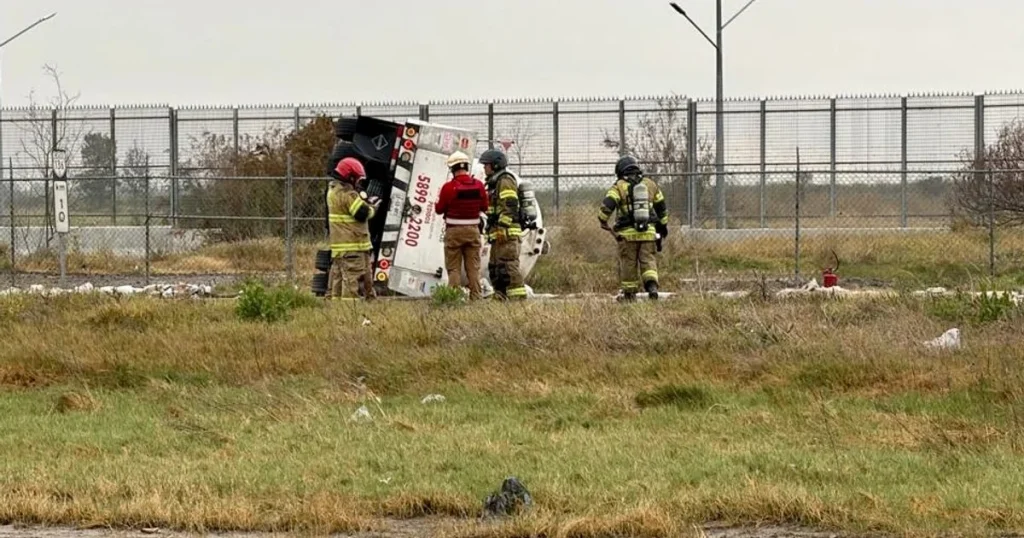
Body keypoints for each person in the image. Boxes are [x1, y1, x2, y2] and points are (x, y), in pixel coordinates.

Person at [598, 155, 669, 301]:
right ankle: (652, 287)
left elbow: (607, 206)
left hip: (627, 235)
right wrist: (662, 226)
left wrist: (602, 219)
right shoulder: (650, 184)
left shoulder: (618, 186)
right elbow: (661, 207)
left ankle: (630, 295)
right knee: (648, 260)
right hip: (649, 233)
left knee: (629, 263)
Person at [435, 151, 489, 300]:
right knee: (473, 267)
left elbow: (439, 210)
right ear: (467, 167)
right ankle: (476, 297)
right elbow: (485, 207)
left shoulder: (448, 187)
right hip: (473, 231)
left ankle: (454, 298)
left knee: (454, 268)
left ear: (452, 169)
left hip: (454, 232)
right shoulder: (478, 186)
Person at [325, 157, 379, 300]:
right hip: (353, 246)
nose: (358, 183)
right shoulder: (348, 195)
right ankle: (349, 313)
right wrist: (373, 207)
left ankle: (336, 312)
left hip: (339, 247)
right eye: (357, 179)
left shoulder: (332, 191)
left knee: (337, 280)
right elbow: (363, 213)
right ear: (350, 177)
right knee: (351, 281)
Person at [478, 148, 526, 300]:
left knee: (508, 266)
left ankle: (517, 299)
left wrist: (503, 227)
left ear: (496, 165)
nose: (484, 168)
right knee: (496, 268)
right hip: (498, 234)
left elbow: (510, 205)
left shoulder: (505, 181)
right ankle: (500, 296)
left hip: (507, 233)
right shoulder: (494, 182)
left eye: (486, 165)